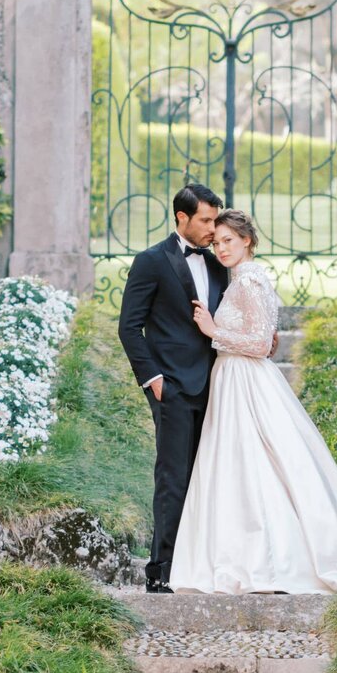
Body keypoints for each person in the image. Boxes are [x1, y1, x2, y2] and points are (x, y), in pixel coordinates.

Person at [169, 208, 337, 595]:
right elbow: (264, 337)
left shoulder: (252, 281)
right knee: (238, 468)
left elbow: (259, 346)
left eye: (229, 240)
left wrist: (213, 331)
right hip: (232, 378)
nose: (222, 249)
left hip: (245, 379)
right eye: (217, 242)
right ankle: (246, 554)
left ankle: (277, 560)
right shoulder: (243, 280)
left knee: (263, 462)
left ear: (247, 241)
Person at [118, 183, 230, 592]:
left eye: (216, 219)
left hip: (219, 385)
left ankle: (204, 565)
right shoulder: (151, 261)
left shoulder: (219, 263)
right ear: (181, 217)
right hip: (174, 389)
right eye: (205, 220)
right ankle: (161, 569)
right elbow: (129, 326)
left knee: (213, 477)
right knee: (174, 477)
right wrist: (154, 380)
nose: (213, 228)